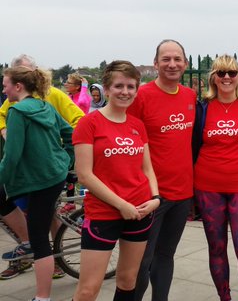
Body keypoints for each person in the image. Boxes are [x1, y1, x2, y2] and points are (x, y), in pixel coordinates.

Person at [72, 60, 161, 301]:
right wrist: (121, 205)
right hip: (104, 213)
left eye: (131, 86)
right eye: (119, 86)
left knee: (128, 280)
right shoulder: (88, 124)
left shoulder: (137, 125)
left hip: (141, 211)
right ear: (107, 89)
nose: (125, 92)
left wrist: (155, 198)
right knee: (88, 290)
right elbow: (85, 175)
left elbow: (148, 169)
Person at [191, 55, 238, 301]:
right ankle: (225, 297)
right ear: (213, 76)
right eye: (221, 72)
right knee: (217, 248)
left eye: (232, 73)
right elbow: (192, 147)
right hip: (207, 187)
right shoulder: (202, 107)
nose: (226, 77)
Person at [0, 54, 84, 280]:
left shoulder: (44, 99)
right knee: (37, 216)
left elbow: (78, 122)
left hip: (40, 174)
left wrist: (62, 157)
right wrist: (63, 158)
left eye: (5, 85)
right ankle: (32, 249)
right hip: (43, 172)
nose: (3, 90)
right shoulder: (26, 104)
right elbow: (69, 134)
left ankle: (46, 259)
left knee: (41, 224)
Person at [128, 39, 197, 301]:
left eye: (177, 59)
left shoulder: (189, 96)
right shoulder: (141, 97)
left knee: (166, 256)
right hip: (149, 196)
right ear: (156, 63)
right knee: (141, 262)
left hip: (181, 193)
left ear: (185, 64)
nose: (172, 64)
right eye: (166, 59)